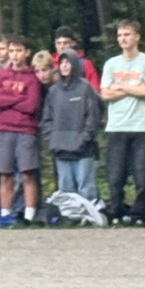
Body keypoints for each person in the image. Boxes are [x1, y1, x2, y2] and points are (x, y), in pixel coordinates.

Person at [99, 20, 145, 226]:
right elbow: (105, 94)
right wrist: (135, 87)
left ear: (137, 37)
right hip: (117, 127)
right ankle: (116, 211)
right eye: (120, 35)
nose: (123, 39)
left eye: (127, 34)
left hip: (142, 126)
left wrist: (121, 87)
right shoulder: (111, 64)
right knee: (116, 176)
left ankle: (140, 213)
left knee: (142, 175)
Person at [0, 36, 42, 227]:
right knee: (5, 174)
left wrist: (8, 100)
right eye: (11, 51)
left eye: (18, 51)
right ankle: (5, 214)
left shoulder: (32, 78)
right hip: (3, 130)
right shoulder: (1, 75)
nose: (14, 55)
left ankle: (29, 215)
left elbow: (31, 105)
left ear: (27, 53)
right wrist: (18, 98)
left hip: (26, 131)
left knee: (27, 174)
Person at [41, 49, 102, 204]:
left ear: (75, 64)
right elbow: (46, 119)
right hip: (61, 149)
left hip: (83, 149)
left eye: (68, 62)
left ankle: (88, 216)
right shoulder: (53, 91)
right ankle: (70, 216)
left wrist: (84, 139)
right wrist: (52, 140)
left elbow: (92, 117)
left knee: (86, 190)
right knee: (66, 191)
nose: (65, 65)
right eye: (62, 62)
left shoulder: (85, 88)